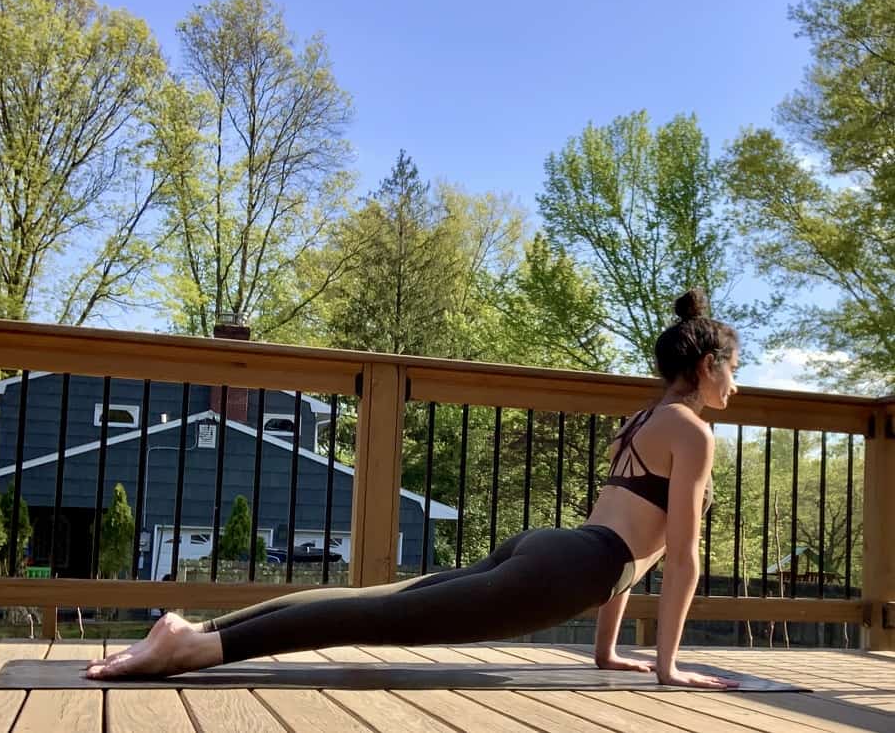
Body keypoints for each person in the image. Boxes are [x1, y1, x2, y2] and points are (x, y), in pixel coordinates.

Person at [86, 288, 739, 688]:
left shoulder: (643, 421)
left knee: (377, 598)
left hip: (559, 550)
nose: (734, 386)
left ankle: (190, 628)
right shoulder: (693, 433)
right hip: (570, 569)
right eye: (732, 371)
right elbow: (677, 560)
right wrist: (666, 667)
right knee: (383, 616)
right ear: (707, 366)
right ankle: (198, 646)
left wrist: (608, 653)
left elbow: (621, 544)